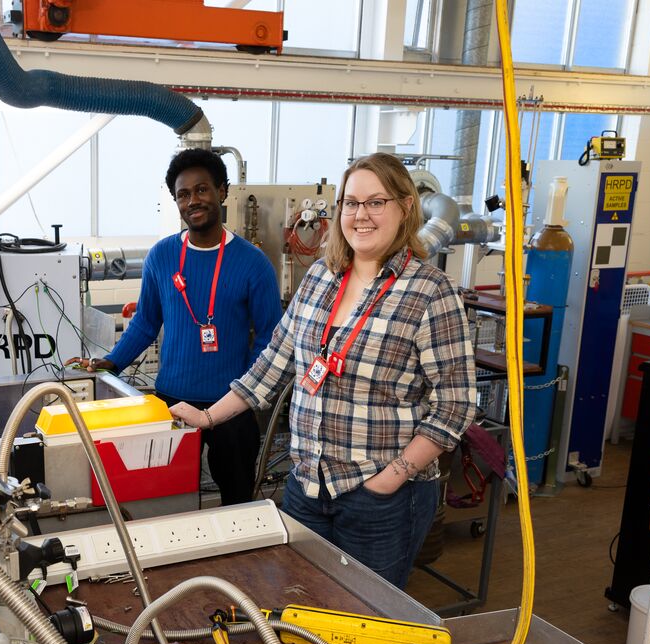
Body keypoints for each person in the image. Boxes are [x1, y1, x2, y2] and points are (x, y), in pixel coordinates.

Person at [170, 152, 477, 589]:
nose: (361, 215)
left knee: (366, 616)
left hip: (380, 497)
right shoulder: (321, 278)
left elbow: (456, 405)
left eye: (376, 202)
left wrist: (392, 477)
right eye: (351, 203)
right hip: (307, 487)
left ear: (406, 207)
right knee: (302, 604)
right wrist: (207, 417)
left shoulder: (430, 291)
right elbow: (272, 364)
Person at [67, 149, 283, 505]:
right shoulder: (162, 255)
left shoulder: (252, 264)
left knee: (236, 498)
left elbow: (269, 340)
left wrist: (245, 392)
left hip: (230, 403)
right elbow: (146, 322)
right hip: (170, 400)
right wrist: (113, 361)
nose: (193, 201)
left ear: (222, 192)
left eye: (202, 190)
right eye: (183, 194)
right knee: (162, 496)